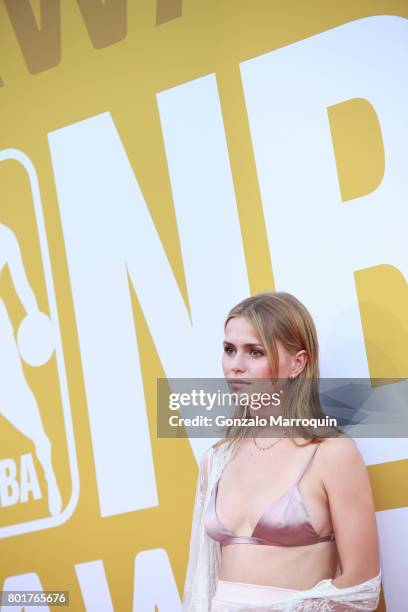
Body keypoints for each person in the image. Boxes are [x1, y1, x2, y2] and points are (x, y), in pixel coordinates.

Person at [182, 292, 381, 611]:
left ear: (297, 363)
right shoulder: (216, 460)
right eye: (229, 350)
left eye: (255, 352)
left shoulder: (331, 453)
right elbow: (200, 583)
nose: (236, 366)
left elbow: (362, 585)